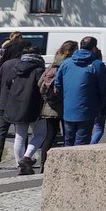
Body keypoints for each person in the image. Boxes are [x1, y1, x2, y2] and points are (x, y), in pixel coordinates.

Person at [0, 39, 46, 176]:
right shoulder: (39, 70)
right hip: (33, 105)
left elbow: (6, 85)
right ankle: (27, 157)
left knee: (19, 136)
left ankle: (20, 165)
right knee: (40, 133)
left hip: (15, 104)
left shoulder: (15, 68)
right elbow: (43, 88)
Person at [52, 36, 106, 148]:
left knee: (68, 141)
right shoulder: (97, 64)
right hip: (88, 108)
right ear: (94, 48)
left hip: (68, 108)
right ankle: (76, 164)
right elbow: (103, 89)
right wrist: (100, 105)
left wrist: (65, 97)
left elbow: (57, 84)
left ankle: (66, 164)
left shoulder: (66, 63)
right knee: (82, 143)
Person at [34, 41, 76, 173]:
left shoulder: (53, 63)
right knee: (68, 136)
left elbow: (40, 83)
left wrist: (48, 97)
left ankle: (43, 164)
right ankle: (66, 164)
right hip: (65, 104)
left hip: (50, 105)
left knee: (50, 136)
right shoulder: (70, 64)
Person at [0, 35, 24, 168]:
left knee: (1, 132)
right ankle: (21, 160)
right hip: (18, 103)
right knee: (20, 133)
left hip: (4, 102)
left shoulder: (5, 65)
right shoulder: (22, 64)